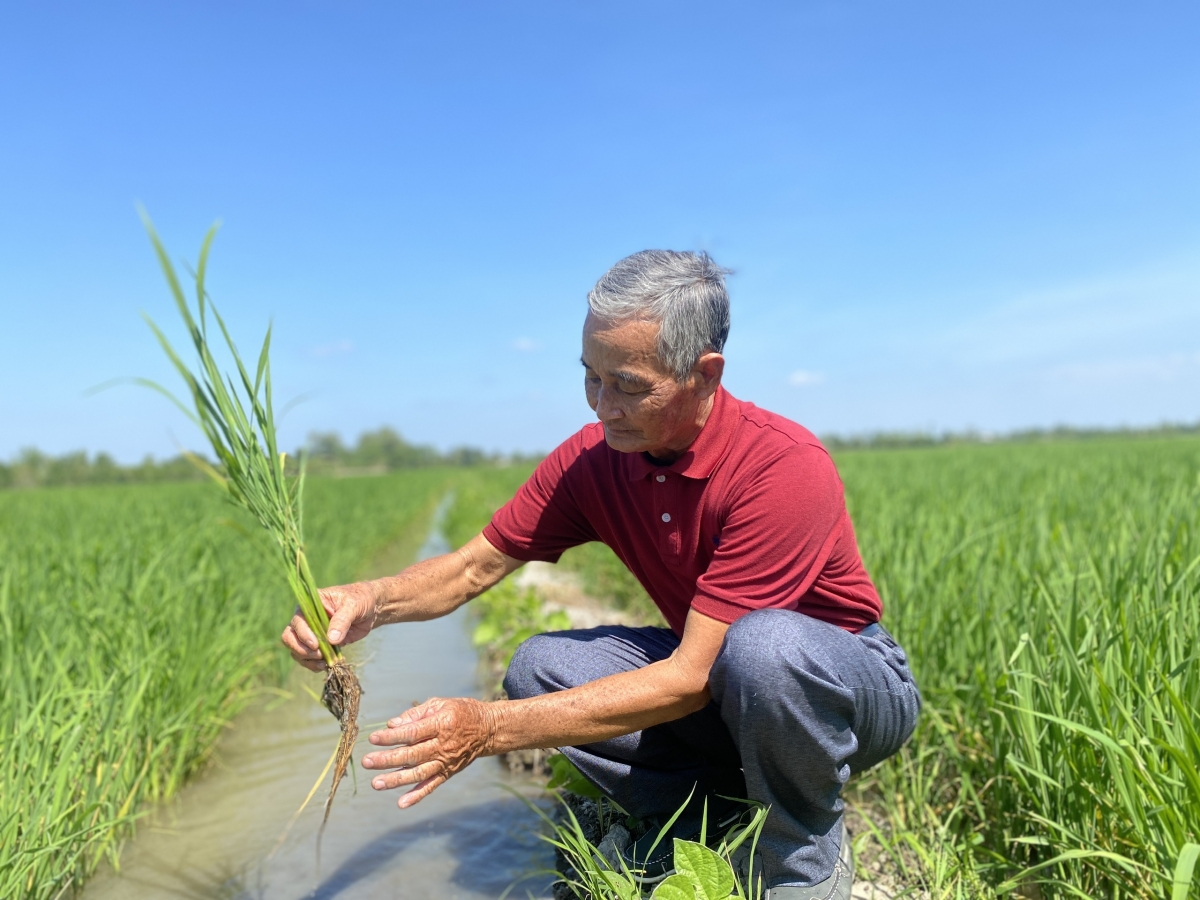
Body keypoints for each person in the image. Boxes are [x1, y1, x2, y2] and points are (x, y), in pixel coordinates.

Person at [281, 250, 921, 900]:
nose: (603, 406)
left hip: (842, 690)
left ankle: (802, 856)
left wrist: (488, 728)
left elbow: (695, 675)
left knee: (764, 647)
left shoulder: (780, 466)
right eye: (591, 378)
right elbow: (473, 567)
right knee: (541, 667)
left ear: (703, 374)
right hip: (726, 680)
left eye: (629, 385)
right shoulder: (594, 460)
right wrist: (372, 601)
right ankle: (701, 820)